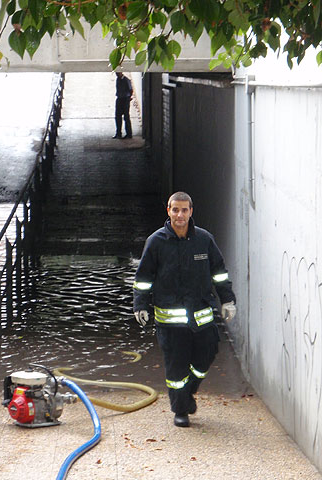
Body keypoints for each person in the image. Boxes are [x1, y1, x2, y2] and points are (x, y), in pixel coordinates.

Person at [132, 191, 236, 427]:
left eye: (184, 210)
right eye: (175, 209)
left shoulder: (204, 239)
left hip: (201, 314)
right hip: (170, 320)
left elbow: (219, 273)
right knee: (176, 366)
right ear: (168, 211)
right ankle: (180, 409)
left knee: (208, 353)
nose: (180, 214)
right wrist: (140, 304)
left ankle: (188, 392)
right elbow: (143, 278)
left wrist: (227, 300)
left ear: (191, 211)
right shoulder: (156, 241)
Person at [113, 72, 133, 139]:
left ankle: (129, 134)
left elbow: (130, 89)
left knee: (126, 116)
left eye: (118, 73)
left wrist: (129, 97)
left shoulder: (126, 80)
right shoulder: (118, 79)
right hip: (119, 98)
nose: (117, 74)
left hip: (125, 99)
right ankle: (118, 133)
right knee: (117, 116)